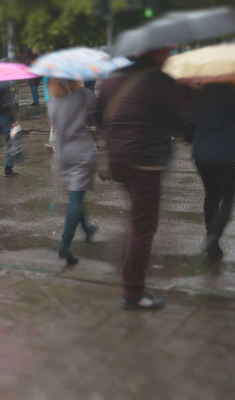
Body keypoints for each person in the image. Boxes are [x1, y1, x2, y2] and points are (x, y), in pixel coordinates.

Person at [94, 48, 189, 311]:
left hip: (116, 158)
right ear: (156, 52)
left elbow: (96, 114)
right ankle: (133, 293)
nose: (169, 54)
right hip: (143, 161)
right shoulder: (160, 81)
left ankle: (131, 278)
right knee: (144, 226)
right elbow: (179, 122)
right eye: (167, 50)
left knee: (138, 218)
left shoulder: (112, 78)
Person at [191, 79, 235, 258]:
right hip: (227, 154)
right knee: (227, 198)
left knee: (211, 194)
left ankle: (211, 238)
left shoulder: (198, 95)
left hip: (202, 154)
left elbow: (191, 123)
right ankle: (212, 237)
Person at [47, 78, 98, 265]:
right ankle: (65, 244)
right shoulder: (85, 95)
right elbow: (95, 119)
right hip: (81, 152)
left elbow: (55, 126)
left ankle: (88, 228)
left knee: (76, 194)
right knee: (76, 199)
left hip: (62, 154)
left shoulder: (52, 101)